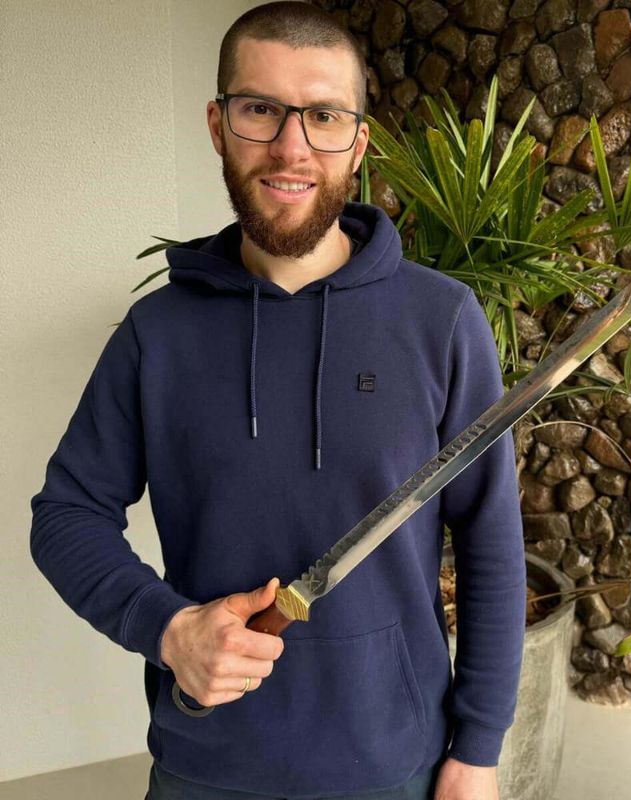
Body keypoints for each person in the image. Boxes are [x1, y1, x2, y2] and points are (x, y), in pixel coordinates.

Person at [29, 3, 527, 799]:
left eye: (323, 115)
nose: (291, 147)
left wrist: (478, 751)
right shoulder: (158, 334)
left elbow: (490, 544)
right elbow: (66, 514)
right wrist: (168, 628)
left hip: (395, 766)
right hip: (205, 764)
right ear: (218, 125)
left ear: (357, 142)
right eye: (261, 109)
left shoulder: (441, 322)